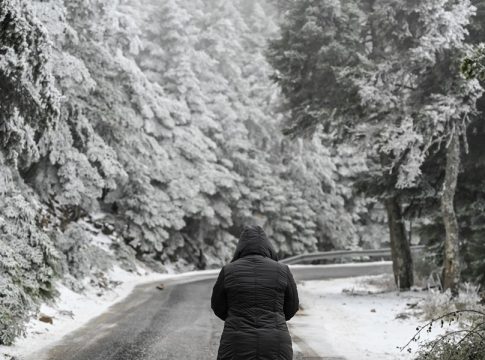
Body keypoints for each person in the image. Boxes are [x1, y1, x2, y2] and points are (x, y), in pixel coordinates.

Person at [211, 225, 299, 360]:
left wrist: (235, 317)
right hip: (276, 342)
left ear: (240, 247)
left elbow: (217, 305)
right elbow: (292, 306)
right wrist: (276, 318)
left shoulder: (229, 270)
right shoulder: (282, 270)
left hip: (236, 342)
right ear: (268, 246)